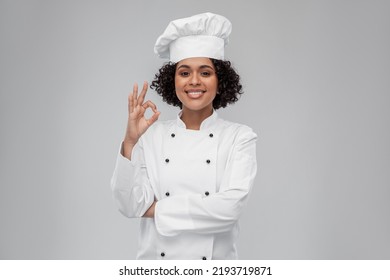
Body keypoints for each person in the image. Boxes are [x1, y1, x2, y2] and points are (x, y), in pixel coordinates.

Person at [111, 12, 257, 260]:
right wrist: (131, 142)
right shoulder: (152, 135)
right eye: (185, 72)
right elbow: (129, 205)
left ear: (220, 80)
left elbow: (229, 209)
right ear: (173, 80)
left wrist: (156, 209)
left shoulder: (239, 138)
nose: (195, 82)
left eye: (205, 72)